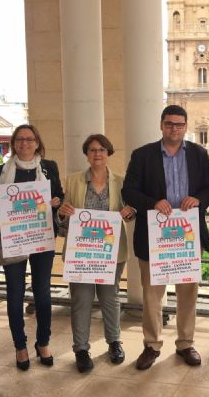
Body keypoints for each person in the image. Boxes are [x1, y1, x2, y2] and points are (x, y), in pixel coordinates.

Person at [122, 105, 209, 370]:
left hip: (186, 237)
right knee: (152, 296)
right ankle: (152, 346)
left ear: (186, 127)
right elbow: (129, 191)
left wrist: (199, 199)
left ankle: (185, 343)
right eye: (169, 124)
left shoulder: (198, 154)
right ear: (161, 125)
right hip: (154, 239)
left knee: (188, 294)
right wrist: (153, 202)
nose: (174, 129)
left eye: (179, 124)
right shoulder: (142, 155)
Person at [0, 124, 64, 370]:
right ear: (13, 143)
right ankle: (20, 346)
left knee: (42, 293)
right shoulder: (2, 170)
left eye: (29, 139)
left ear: (37, 142)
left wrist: (55, 201)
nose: (24, 143)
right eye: (19, 139)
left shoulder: (48, 168)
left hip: (42, 238)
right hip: (14, 239)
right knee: (14, 295)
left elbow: (59, 197)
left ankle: (43, 342)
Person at [57, 134, 135, 373]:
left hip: (110, 252)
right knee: (81, 300)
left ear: (108, 153)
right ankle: (81, 348)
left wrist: (130, 211)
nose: (97, 154)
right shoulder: (73, 182)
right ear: (87, 154)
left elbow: (131, 215)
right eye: (92, 150)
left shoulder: (122, 182)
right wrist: (62, 212)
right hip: (81, 252)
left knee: (109, 297)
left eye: (101, 149)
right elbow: (62, 220)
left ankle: (114, 342)